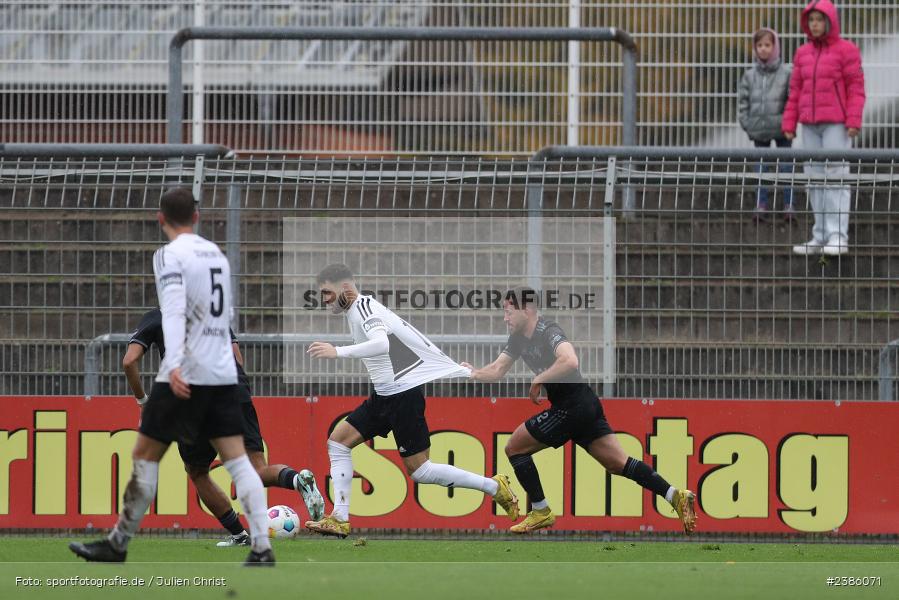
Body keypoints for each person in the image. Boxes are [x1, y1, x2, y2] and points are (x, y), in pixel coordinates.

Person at [69, 188, 274, 565]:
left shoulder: (168, 255)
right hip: (223, 375)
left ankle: (118, 542)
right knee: (239, 462)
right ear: (196, 218)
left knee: (144, 455)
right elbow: (222, 321)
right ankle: (262, 547)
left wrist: (175, 362)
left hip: (185, 372)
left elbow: (174, 312)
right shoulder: (217, 255)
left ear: (160, 218)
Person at [304, 264, 520, 537]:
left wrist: (338, 352)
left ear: (344, 288)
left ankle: (493, 486)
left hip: (403, 395)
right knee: (338, 441)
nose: (324, 300)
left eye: (327, 293)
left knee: (421, 472)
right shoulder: (357, 309)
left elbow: (381, 343)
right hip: (384, 396)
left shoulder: (363, 308)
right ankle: (339, 518)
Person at [463, 288, 697, 535]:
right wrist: (471, 372)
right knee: (618, 464)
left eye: (508, 312)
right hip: (583, 405)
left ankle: (540, 510)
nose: (505, 318)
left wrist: (539, 378)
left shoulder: (548, 331)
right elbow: (498, 369)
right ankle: (675, 495)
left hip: (572, 407)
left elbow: (570, 360)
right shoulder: (518, 338)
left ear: (527, 310)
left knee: (514, 448)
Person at [122, 307, 325, 547]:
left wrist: (143, 402)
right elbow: (236, 357)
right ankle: (295, 480)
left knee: (197, 471)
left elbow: (129, 361)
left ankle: (239, 536)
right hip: (233, 390)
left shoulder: (159, 315)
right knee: (257, 469)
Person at [782, 0, 866, 256]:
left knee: (836, 178)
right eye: (811, 20)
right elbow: (795, 89)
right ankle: (820, 235)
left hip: (837, 125)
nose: (815, 24)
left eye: (819, 19)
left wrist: (853, 120)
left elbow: (856, 88)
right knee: (814, 180)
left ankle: (838, 236)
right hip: (809, 125)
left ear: (830, 21)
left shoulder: (847, 50)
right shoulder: (802, 53)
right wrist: (789, 121)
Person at [737, 27, 794, 223]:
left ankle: (789, 204)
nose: (763, 49)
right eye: (759, 45)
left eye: (767, 45)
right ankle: (761, 204)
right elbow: (743, 103)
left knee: (786, 167)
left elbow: (791, 99)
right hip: (759, 130)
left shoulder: (786, 73)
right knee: (761, 169)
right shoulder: (749, 75)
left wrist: (789, 124)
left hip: (782, 130)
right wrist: (748, 124)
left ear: (775, 46)